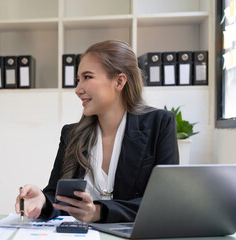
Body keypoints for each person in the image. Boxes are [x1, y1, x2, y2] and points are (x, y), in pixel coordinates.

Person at [15, 40, 179, 223]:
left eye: (87, 77)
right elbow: (57, 196)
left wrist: (97, 212)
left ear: (119, 81)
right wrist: (42, 200)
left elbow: (164, 202)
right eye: (78, 79)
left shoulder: (159, 123)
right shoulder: (71, 134)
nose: (78, 90)